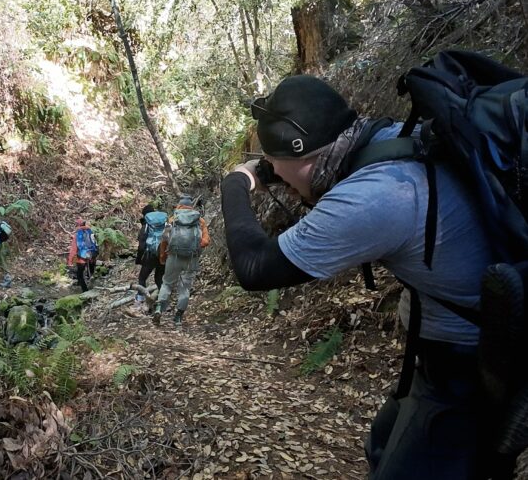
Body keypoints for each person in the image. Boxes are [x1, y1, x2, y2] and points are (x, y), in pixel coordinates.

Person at [220, 75, 498, 479]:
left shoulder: (373, 198)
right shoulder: (385, 140)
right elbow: (303, 165)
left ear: (307, 157)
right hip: (444, 351)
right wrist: (276, 167)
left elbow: (253, 267)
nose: (273, 172)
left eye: (275, 163)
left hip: (470, 363)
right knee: (382, 444)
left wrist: (235, 184)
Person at [154, 195, 210, 326]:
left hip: (173, 257)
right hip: (191, 259)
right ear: (192, 207)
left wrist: (162, 256)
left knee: (167, 283)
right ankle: (178, 317)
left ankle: (158, 309)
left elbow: (164, 239)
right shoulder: (200, 221)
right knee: (185, 288)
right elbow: (206, 241)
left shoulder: (173, 219)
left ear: (179, 206)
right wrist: (194, 247)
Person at [135, 204, 166, 307]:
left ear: (145, 215)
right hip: (162, 254)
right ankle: (164, 302)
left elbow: (141, 246)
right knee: (159, 278)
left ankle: (140, 301)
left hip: (150, 255)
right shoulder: (163, 223)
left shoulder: (146, 226)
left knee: (142, 278)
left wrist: (139, 259)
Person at [67, 218, 98, 292]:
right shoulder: (90, 232)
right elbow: (95, 244)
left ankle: (85, 291)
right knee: (91, 271)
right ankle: (92, 283)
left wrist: (70, 262)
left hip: (82, 258)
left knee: (79, 274)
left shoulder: (77, 235)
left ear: (77, 225)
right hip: (92, 256)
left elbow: (73, 250)